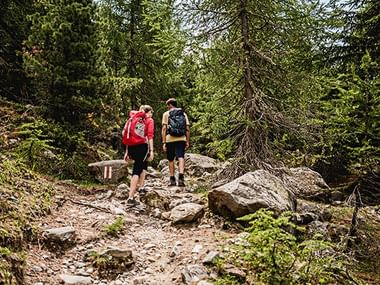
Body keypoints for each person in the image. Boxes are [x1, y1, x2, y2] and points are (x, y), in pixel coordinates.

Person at [123, 105, 154, 205]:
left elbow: (126, 134)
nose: (151, 114)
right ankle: (130, 197)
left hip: (131, 146)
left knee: (139, 166)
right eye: (151, 112)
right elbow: (150, 136)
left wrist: (127, 151)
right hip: (142, 146)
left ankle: (140, 189)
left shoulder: (132, 118)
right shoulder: (148, 120)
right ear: (148, 112)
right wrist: (152, 150)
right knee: (137, 169)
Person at [161, 98, 190, 186]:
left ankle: (172, 179)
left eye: (167, 105)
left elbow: (164, 128)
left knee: (171, 159)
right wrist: (187, 141)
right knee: (180, 157)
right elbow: (187, 129)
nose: (167, 107)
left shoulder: (166, 114)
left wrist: (164, 142)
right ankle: (181, 177)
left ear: (170, 105)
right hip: (181, 138)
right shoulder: (183, 114)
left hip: (170, 139)